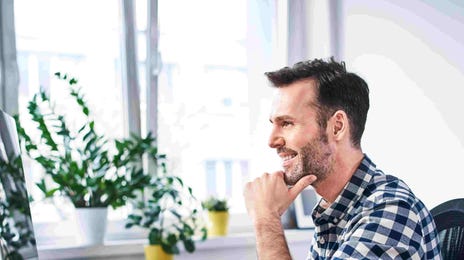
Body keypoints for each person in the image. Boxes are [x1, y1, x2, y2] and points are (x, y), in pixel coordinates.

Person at [243, 58, 441, 259]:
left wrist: (266, 218)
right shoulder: (336, 212)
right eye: (273, 124)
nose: (271, 141)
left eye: (286, 123)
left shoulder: (390, 210)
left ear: (337, 127)